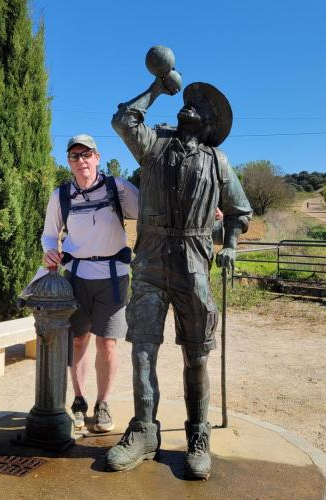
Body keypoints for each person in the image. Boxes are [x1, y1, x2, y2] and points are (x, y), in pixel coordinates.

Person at [106, 80, 252, 478]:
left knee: (197, 353)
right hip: (151, 259)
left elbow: (240, 211)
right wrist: (157, 86)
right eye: (189, 100)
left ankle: (197, 435)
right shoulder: (154, 144)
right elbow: (124, 119)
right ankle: (143, 431)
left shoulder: (217, 160)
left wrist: (232, 245)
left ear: (209, 123)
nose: (190, 105)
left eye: (200, 105)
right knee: (142, 349)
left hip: (193, 262)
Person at [41, 134, 138, 433]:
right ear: (69, 162)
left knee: (108, 343)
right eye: (74, 156)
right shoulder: (61, 195)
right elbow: (49, 234)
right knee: (79, 340)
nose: (81, 160)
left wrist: (207, 213)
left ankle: (104, 403)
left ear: (97, 157)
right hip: (76, 276)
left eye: (87, 154)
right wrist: (49, 250)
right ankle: (79, 401)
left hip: (113, 275)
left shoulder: (118, 187)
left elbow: (153, 208)